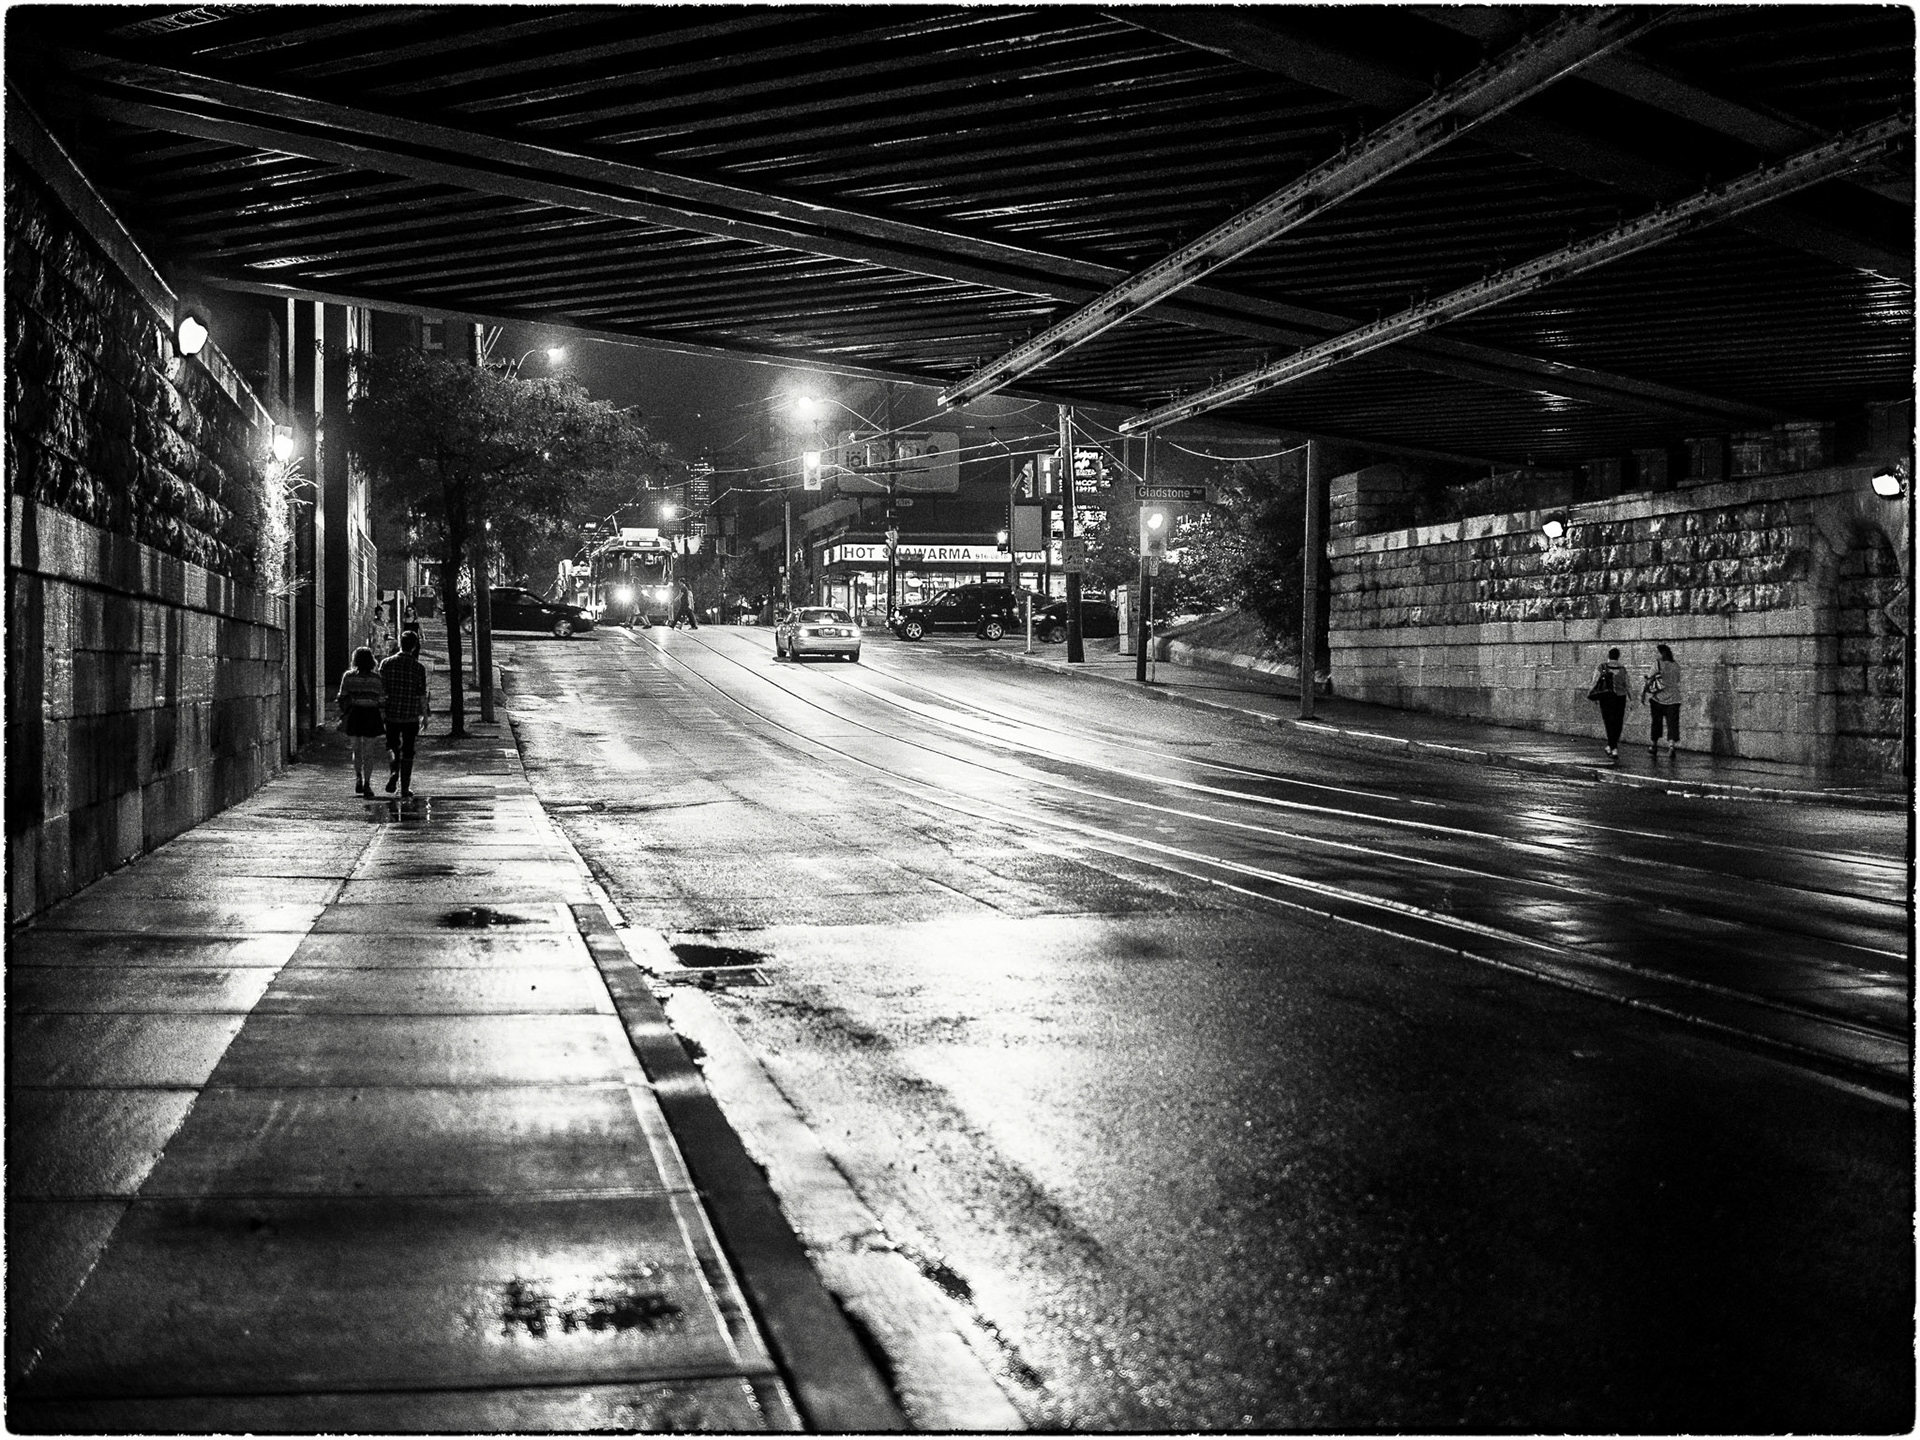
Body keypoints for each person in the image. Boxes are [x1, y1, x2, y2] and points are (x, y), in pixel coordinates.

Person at [378, 629, 431, 798]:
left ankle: (394, 770)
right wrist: (425, 715)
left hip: (392, 712)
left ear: (400, 644)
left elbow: (381, 689)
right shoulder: (418, 668)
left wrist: (381, 710)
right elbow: (421, 694)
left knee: (391, 745)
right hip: (410, 715)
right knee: (409, 750)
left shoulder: (386, 664)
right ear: (415, 646)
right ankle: (405, 787)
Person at [335, 646, 386, 796]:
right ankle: (367, 783)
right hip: (371, 714)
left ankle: (358, 777)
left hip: (354, 714)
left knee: (356, 749)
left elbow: (342, 695)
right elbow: (381, 699)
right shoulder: (376, 679)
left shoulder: (348, 676)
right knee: (369, 752)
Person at [1644, 642, 1683, 756]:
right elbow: (1677, 680)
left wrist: (1644, 692)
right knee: (1672, 724)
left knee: (1656, 723)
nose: (1656, 654)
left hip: (1658, 699)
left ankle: (1654, 745)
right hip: (1674, 699)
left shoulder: (1657, 664)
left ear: (1662, 653)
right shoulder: (1675, 665)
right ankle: (1671, 746)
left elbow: (1649, 680)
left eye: (1657, 652)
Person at [1592, 646, 1631, 757]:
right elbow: (1628, 685)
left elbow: (1594, 682)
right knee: (1618, 722)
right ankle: (1612, 746)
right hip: (1620, 697)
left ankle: (1613, 748)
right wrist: (1631, 699)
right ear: (1618, 657)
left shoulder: (1602, 667)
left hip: (1606, 697)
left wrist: (1594, 696)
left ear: (1608, 656)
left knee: (1609, 722)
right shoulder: (1623, 670)